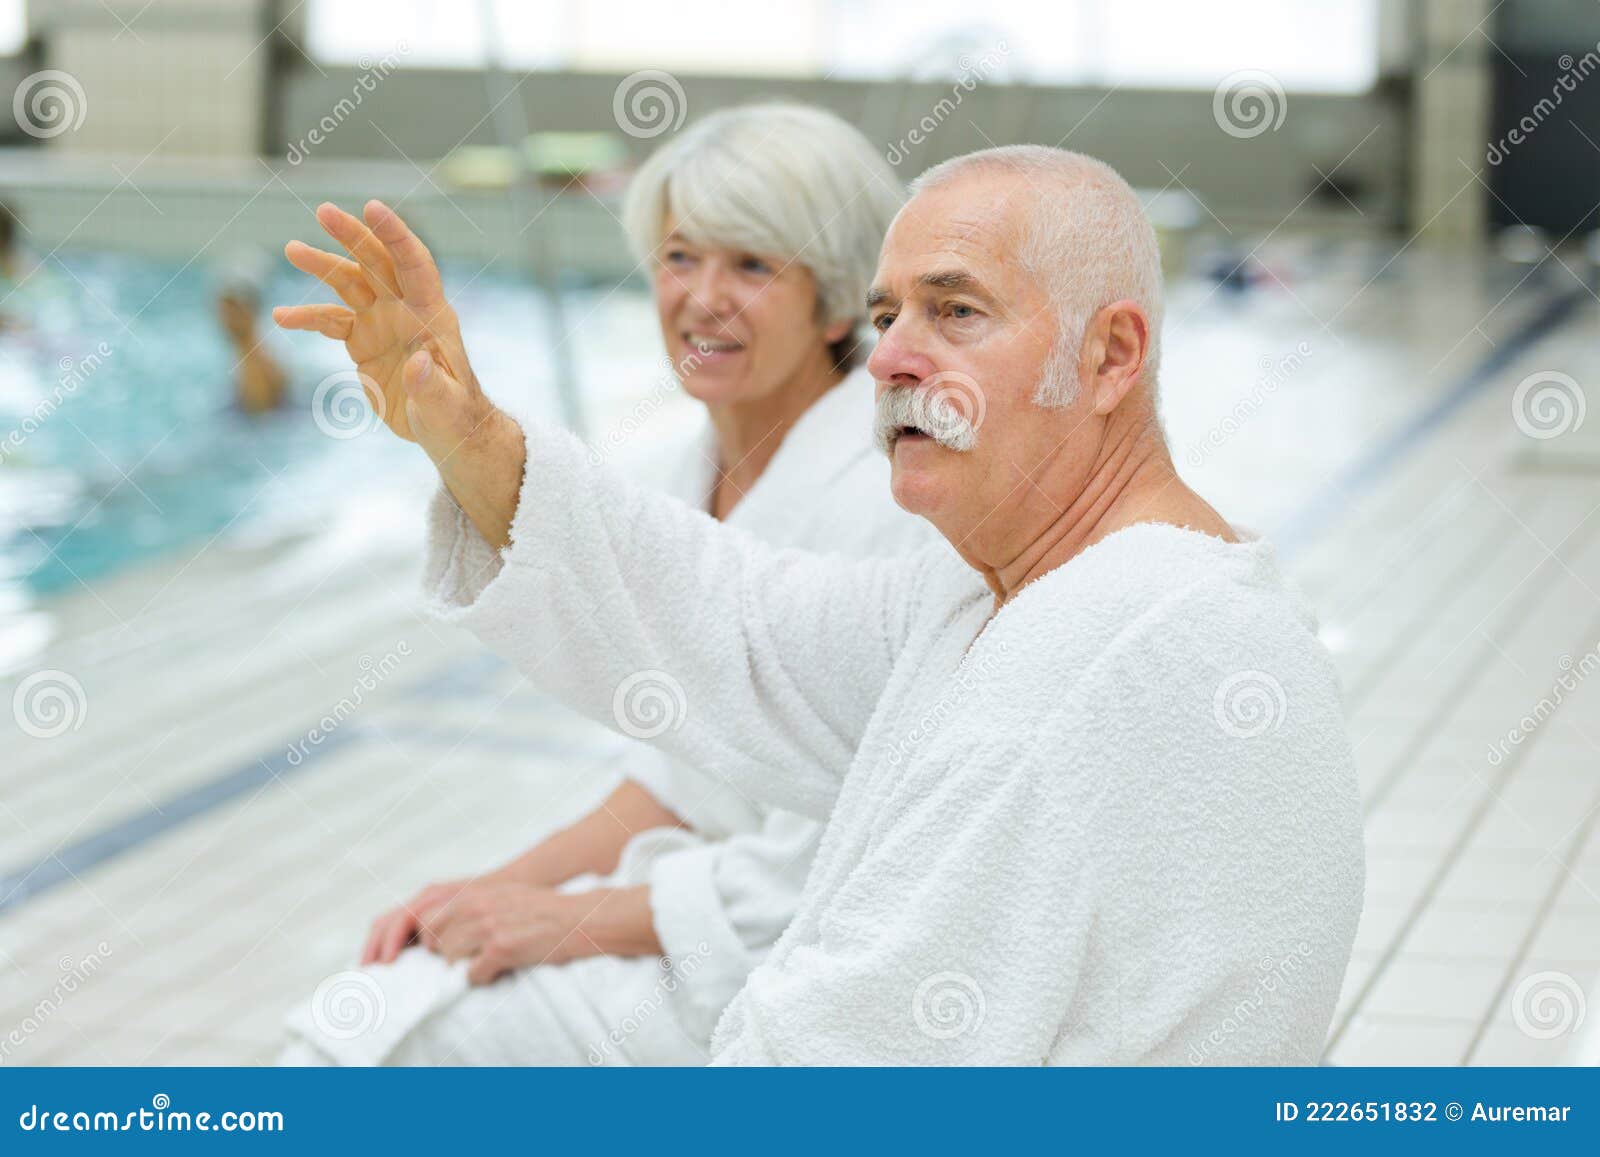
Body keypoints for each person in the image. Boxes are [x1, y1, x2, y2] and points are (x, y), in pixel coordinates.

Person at [275, 144, 1366, 1065]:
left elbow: (839, 1062)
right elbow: (740, 625)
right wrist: (475, 443)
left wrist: (583, 928)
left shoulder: (1106, 657)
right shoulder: (1017, 588)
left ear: (1110, 354)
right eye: (890, 313)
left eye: (956, 309)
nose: (890, 355)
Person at [277, 104, 928, 1066]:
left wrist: (562, 922)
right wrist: (484, 891)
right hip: (691, 910)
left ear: (837, 302)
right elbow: (675, 776)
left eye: (752, 265)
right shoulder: (680, 472)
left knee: (381, 1055)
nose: (704, 298)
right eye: (679, 257)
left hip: (791, 970)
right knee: (366, 1004)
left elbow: (867, 864)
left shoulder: (893, 499)